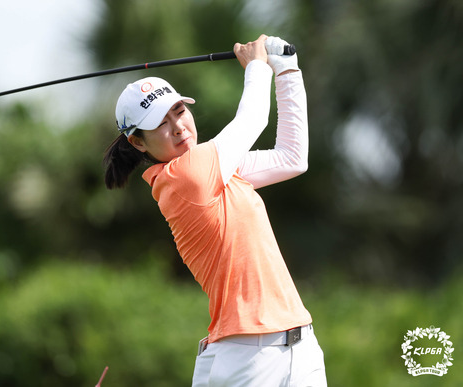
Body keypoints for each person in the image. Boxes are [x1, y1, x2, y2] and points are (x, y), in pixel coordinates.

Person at [103, 34, 327, 386]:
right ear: (136, 141)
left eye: (179, 110)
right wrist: (256, 65)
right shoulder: (185, 176)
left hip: (299, 347)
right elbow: (253, 119)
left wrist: (286, 68)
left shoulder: (216, 169)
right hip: (250, 357)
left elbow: (292, 158)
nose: (178, 126)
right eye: (161, 123)